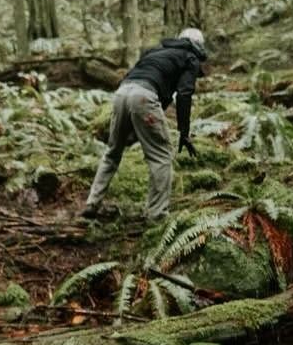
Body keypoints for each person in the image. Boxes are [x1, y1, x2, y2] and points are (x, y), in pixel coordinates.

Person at [84, 27, 207, 220]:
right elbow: (184, 94)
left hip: (121, 93)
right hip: (143, 97)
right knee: (162, 155)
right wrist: (184, 132)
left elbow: (147, 82)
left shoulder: (156, 51)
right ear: (198, 46)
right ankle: (156, 214)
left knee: (112, 152)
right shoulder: (190, 57)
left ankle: (92, 202)